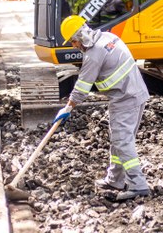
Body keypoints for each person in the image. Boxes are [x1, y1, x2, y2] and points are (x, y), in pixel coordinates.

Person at [54, 15, 151, 201]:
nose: (74, 45)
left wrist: (67, 108)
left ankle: (138, 185)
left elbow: (82, 87)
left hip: (125, 99)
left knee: (122, 141)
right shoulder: (109, 37)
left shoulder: (94, 54)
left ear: (80, 37)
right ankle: (115, 179)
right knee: (119, 139)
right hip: (136, 94)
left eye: (73, 41)